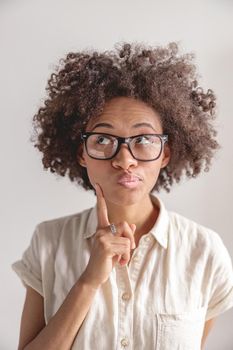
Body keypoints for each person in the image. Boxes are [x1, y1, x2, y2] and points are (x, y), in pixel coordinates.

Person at [12, 42, 233, 350]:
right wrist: (89, 281)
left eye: (143, 139)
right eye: (103, 139)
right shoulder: (49, 241)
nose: (125, 159)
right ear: (82, 153)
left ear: (166, 153)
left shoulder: (204, 251)